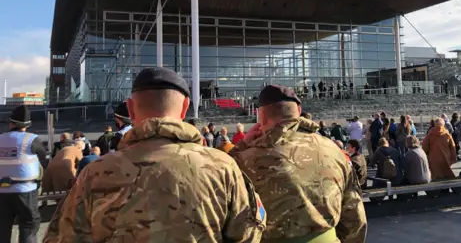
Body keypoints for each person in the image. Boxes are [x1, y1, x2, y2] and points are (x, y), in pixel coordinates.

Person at [44, 67, 265, 242]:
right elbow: (249, 232)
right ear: (185, 106)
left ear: (130, 109)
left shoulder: (95, 173)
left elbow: (63, 236)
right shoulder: (223, 167)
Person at [230, 84, 367, 242]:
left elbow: (217, 174)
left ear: (261, 117)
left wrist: (242, 144)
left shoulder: (244, 159)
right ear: (299, 111)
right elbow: (355, 217)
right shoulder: (333, 150)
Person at [0, 105, 47, 243]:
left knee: (2, 229)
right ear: (27, 125)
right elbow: (43, 158)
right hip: (26, 191)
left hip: (2, 191)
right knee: (28, 228)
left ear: (11, 123)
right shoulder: (32, 139)